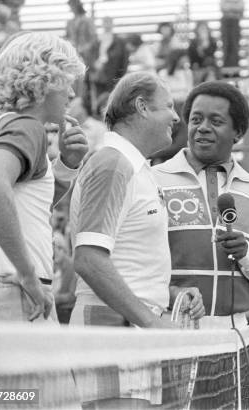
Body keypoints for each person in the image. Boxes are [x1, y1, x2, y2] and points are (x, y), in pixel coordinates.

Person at [0, 31, 87, 409]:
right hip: (20, 300)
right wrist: (29, 275)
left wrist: (64, 167)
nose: (72, 94)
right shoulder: (26, 127)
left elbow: (19, 205)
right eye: (67, 82)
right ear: (45, 79)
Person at [69, 70, 205, 406]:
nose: (176, 117)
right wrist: (150, 321)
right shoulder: (113, 163)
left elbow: (125, 262)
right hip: (112, 330)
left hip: (131, 329)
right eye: (168, 106)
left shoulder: (134, 166)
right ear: (142, 107)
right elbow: (88, 259)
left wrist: (170, 295)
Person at [153, 81, 249, 329]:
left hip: (234, 333)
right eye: (196, 119)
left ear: (238, 132)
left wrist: (248, 254)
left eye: (215, 121)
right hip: (168, 325)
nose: (203, 128)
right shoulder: (154, 179)